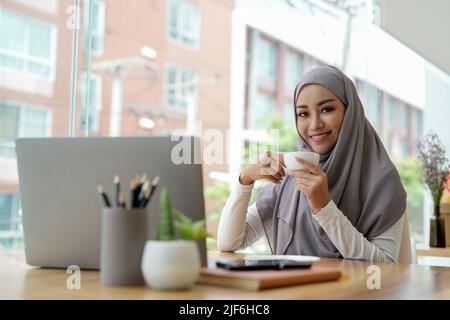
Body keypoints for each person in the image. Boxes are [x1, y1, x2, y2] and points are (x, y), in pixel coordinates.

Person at [217, 66, 407, 262]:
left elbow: (385, 266)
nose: (315, 124)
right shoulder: (292, 177)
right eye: (303, 114)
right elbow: (228, 242)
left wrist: (324, 207)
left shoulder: (382, 180)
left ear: (350, 112)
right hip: (293, 291)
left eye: (327, 109)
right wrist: (245, 180)